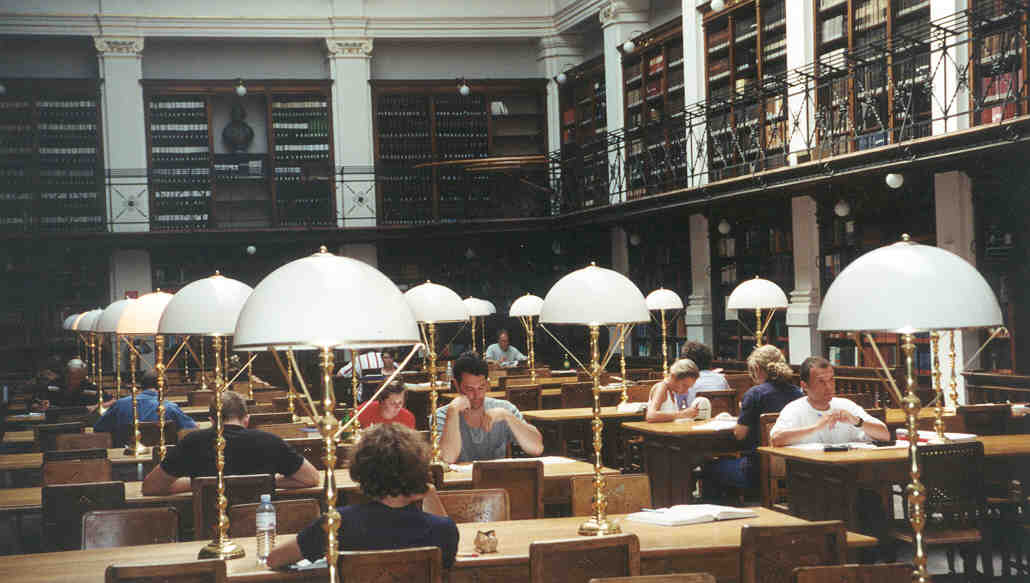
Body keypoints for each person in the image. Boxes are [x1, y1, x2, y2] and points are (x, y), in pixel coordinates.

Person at [267, 423, 458, 569]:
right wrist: (429, 492)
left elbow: (275, 559)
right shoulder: (443, 530)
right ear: (419, 470)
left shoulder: (336, 523)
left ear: (361, 470)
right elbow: (448, 553)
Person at [140, 390, 320, 495]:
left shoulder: (192, 442)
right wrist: (268, 482)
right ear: (247, 419)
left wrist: (197, 484)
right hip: (259, 527)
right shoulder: (270, 441)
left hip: (207, 532)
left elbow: (150, 487)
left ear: (211, 420)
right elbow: (311, 478)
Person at [706, 345, 803, 493]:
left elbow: (740, 435)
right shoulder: (798, 393)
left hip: (755, 470)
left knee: (710, 467)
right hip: (792, 468)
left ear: (757, 368)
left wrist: (741, 416)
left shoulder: (755, 394)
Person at [436, 352, 543, 463]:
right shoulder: (443, 415)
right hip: (458, 480)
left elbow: (537, 448)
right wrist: (452, 412)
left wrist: (507, 416)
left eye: (481, 388)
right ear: (456, 386)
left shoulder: (504, 408)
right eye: (469, 389)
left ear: (487, 384)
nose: (477, 395)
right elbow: (446, 459)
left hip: (497, 478)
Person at [770, 356, 889, 446]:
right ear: (804, 386)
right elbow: (775, 439)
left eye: (831, 380)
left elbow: (885, 435)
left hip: (848, 467)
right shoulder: (794, 409)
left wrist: (856, 421)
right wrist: (816, 427)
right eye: (821, 381)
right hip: (810, 472)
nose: (829, 387)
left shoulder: (846, 405)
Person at [93, 370, 198, 447]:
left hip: (125, 461)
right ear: (165, 389)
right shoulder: (170, 407)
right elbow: (192, 429)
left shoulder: (120, 404)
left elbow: (98, 428)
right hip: (161, 462)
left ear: (141, 386)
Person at [30, 358, 112, 411]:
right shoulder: (52, 385)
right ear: (66, 374)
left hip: (82, 422)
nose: (76, 381)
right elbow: (34, 403)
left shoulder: (90, 386)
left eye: (80, 377)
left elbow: (112, 401)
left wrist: (97, 407)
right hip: (55, 421)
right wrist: (40, 406)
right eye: (73, 377)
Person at [645, 358, 702, 422]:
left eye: (688, 387)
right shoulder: (661, 387)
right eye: (684, 385)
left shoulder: (672, 391)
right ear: (673, 377)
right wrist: (683, 414)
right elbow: (651, 416)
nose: (686, 391)